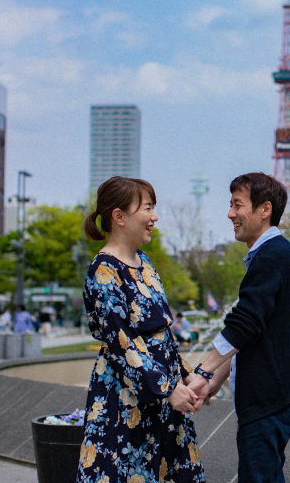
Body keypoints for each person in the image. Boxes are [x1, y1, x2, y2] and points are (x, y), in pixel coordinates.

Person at [187, 173, 290, 483]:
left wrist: (203, 372)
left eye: (237, 205)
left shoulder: (271, 256)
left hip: (270, 398)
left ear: (265, 209)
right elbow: (257, 328)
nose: (230, 213)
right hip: (275, 396)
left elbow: (245, 320)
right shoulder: (273, 254)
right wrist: (218, 375)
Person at [78, 176, 205, 483]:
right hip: (125, 400)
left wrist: (186, 376)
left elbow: (162, 332)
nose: (154, 217)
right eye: (147, 208)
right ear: (118, 217)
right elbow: (122, 342)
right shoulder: (104, 270)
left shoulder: (144, 263)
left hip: (162, 394)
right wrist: (168, 387)